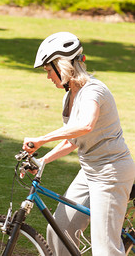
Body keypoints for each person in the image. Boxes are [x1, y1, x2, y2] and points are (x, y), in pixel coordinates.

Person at [22, 31, 134, 255]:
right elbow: (74, 140)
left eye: (48, 70)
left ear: (61, 66)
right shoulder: (70, 95)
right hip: (89, 170)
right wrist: (43, 160)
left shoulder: (94, 90)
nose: (48, 77)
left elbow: (86, 125)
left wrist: (41, 139)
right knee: (60, 230)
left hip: (111, 173)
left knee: (105, 249)